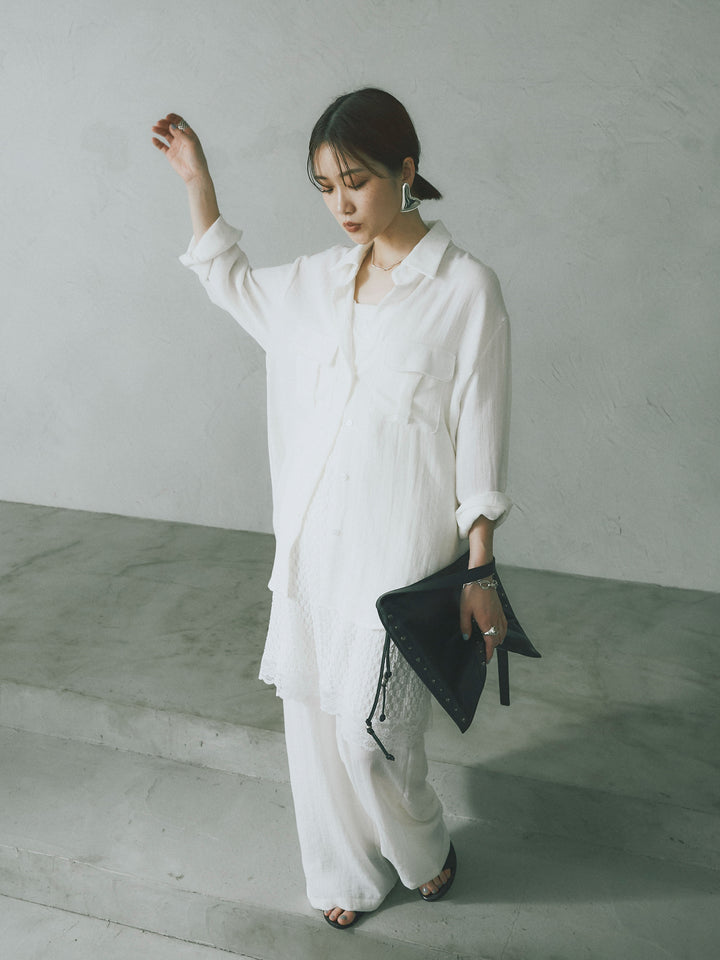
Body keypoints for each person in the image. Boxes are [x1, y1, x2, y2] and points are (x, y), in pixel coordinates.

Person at [151, 88, 512, 930]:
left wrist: (480, 563)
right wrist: (197, 181)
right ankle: (344, 873)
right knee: (315, 730)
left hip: (400, 552)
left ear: (406, 170)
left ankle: (422, 844)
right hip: (315, 549)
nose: (341, 205)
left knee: (371, 735)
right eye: (325, 187)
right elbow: (228, 279)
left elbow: (482, 434)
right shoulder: (315, 283)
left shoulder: (466, 290)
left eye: (357, 181)